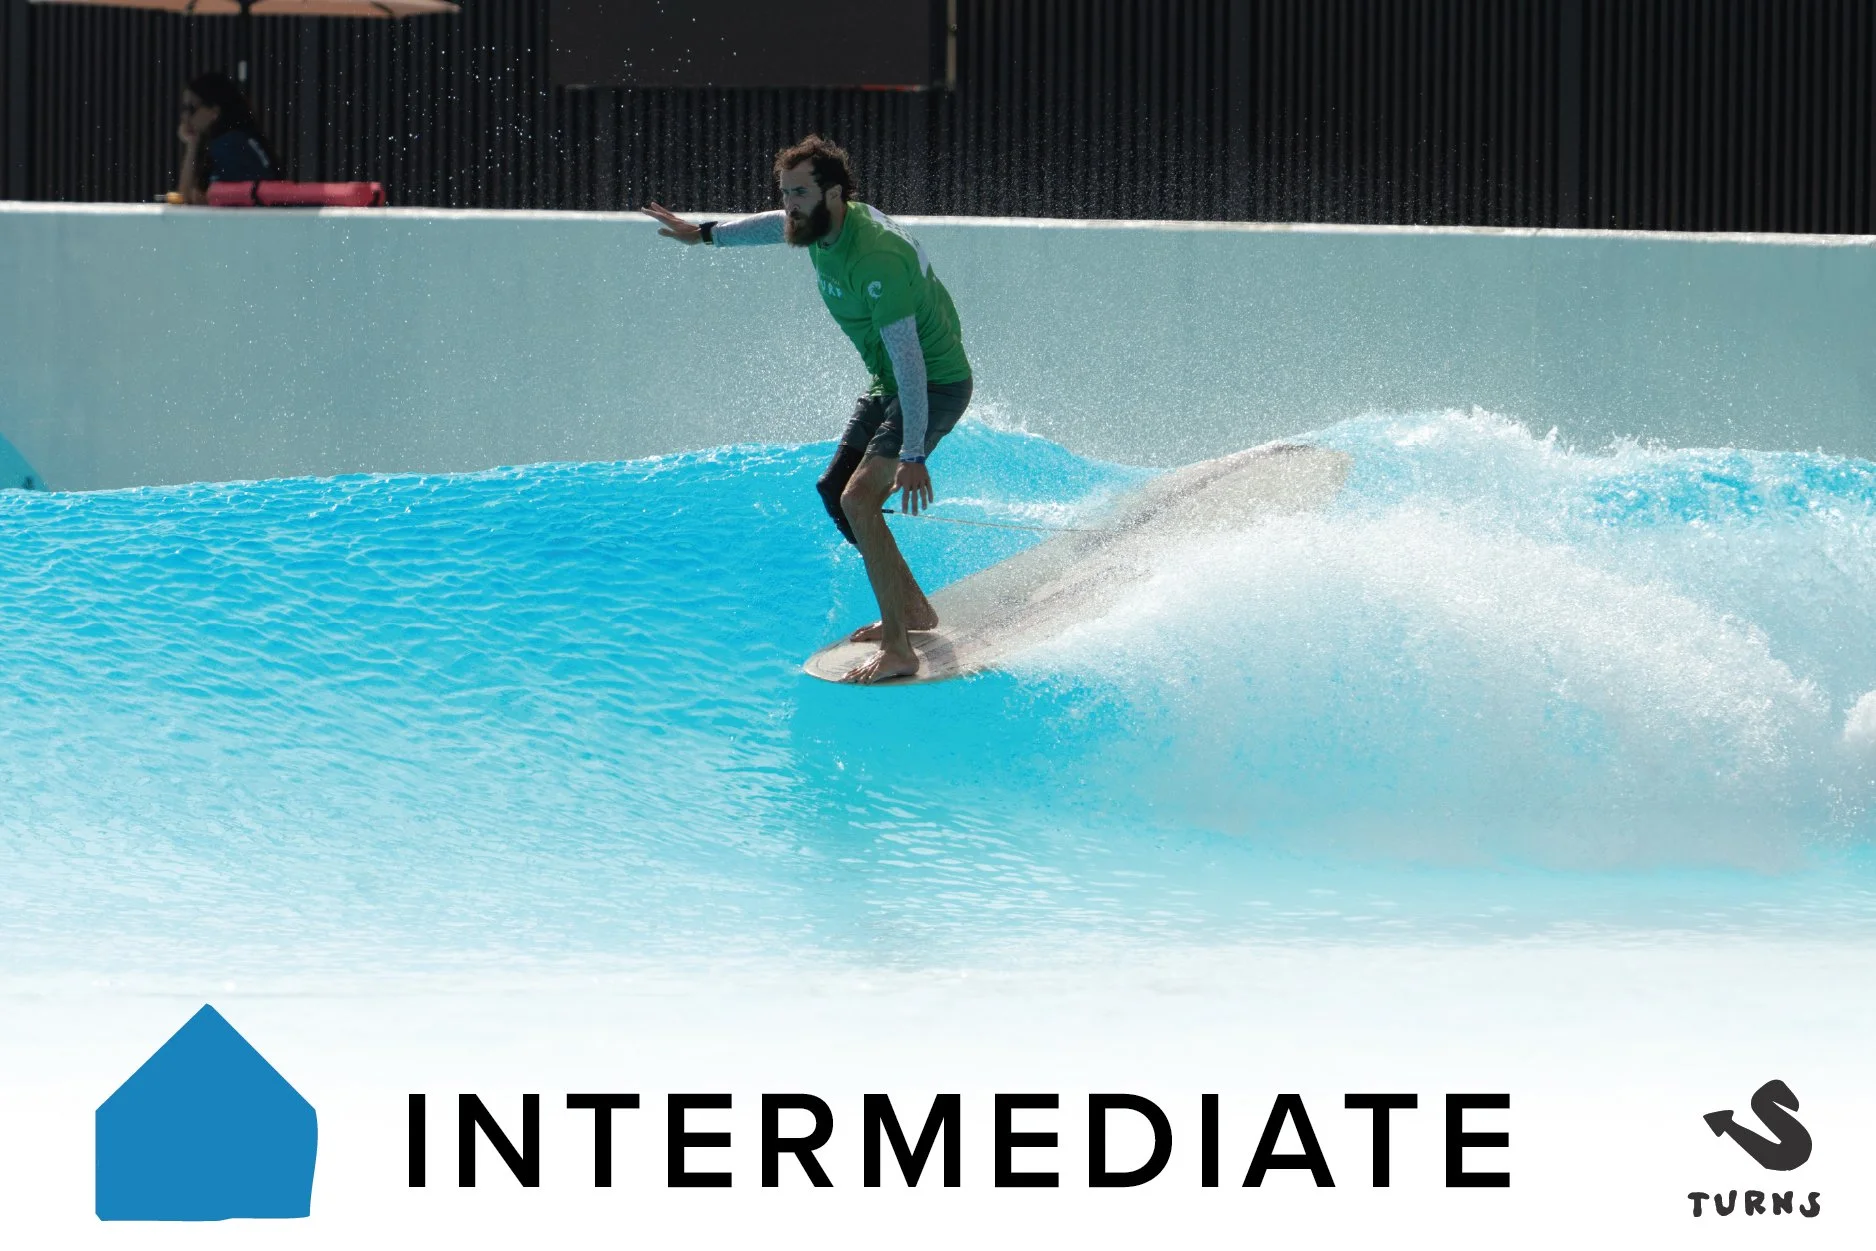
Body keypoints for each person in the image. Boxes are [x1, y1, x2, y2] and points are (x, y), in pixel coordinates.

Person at [644, 136, 974, 684]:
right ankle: (914, 609)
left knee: (860, 496)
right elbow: (773, 223)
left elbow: (912, 365)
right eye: (786, 192)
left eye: (800, 193)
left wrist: (915, 452)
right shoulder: (821, 224)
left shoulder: (876, 259)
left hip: (932, 384)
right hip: (887, 380)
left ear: (835, 194)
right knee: (836, 492)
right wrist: (703, 234)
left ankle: (900, 649)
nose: (790, 205)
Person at [175, 72, 275, 205]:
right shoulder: (239, 139)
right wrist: (193, 143)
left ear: (214, 112)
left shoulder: (229, 145)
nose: (185, 117)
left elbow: (187, 198)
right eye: (184, 109)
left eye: (192, 108)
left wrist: (192, 146)